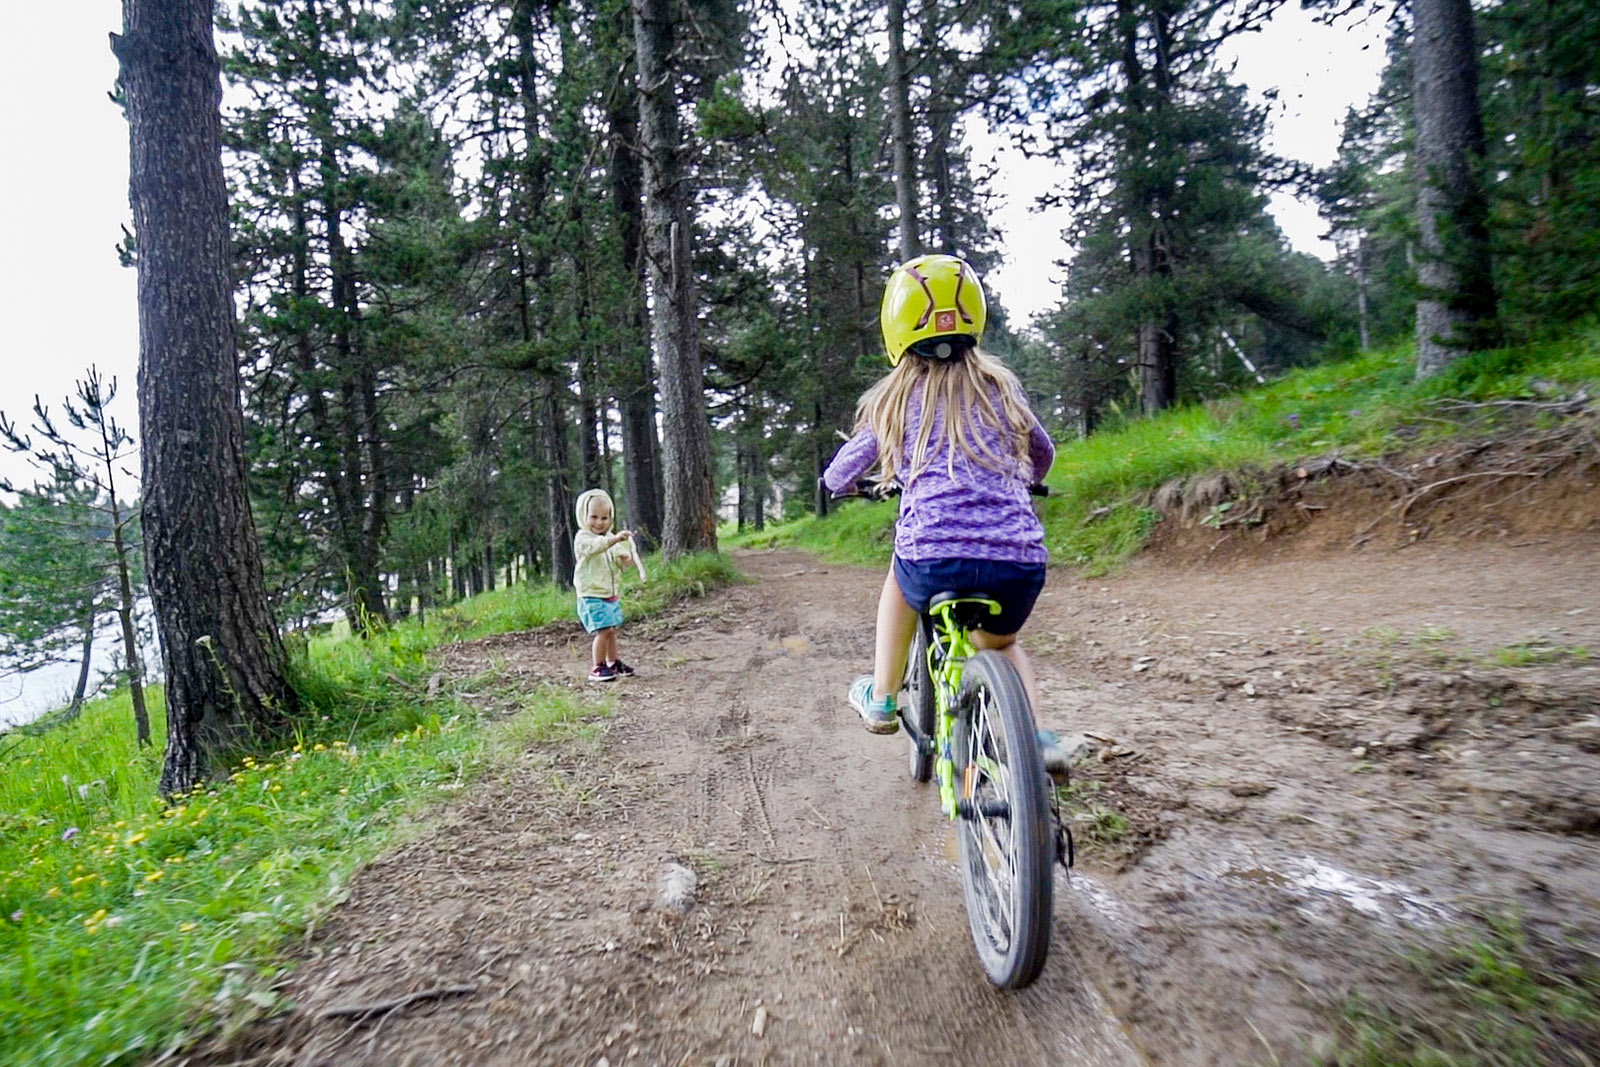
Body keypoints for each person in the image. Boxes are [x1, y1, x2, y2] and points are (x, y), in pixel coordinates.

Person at [822, 254, 1065, 775]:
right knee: (1002, 647)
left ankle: (883, 698)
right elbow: (1041, 451)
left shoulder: (898, 397)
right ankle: (1039, 741)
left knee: (898, 577)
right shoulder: (1000, 387)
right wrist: (1029, 478)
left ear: (896, 329)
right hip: (1017, 562)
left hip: (933, 558)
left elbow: (843, 470)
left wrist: (839, 484)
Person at [573, 488, 636, 682]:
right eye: (593, 517)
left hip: (609, 593)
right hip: (591, 594)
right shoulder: (583, 538)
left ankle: (613, 661)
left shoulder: (609, 539)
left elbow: (617, 557)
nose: (599, 523)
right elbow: (596, 547)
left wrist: (625, 559)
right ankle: (597, 666)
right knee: (604, 630)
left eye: (604, 518)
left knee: (611, 629)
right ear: (584, 516)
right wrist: (615, 538)